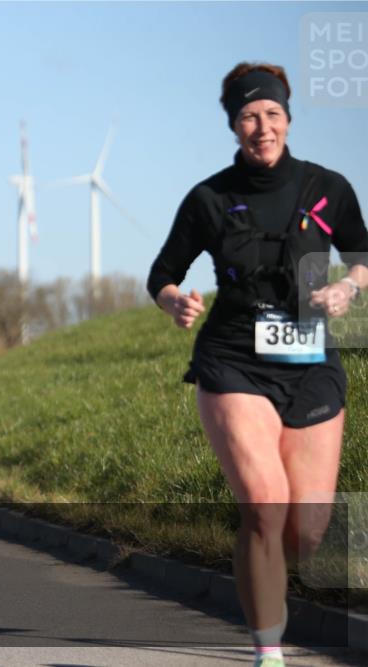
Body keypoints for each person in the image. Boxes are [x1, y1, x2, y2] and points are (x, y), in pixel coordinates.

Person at [147, 63, 368, 667]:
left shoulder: (330, 189)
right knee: (265, 504)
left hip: (311, 363)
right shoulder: (210, 198)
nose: (261, 126)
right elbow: (162, 274)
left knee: (307, 531)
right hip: (233, 362)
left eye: (271, 114)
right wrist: (176, 302)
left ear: (288, 119)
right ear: (234, 126)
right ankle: (268, 651)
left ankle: (261, 560)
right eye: (248, 116)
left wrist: (351, 287)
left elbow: (361, 253)